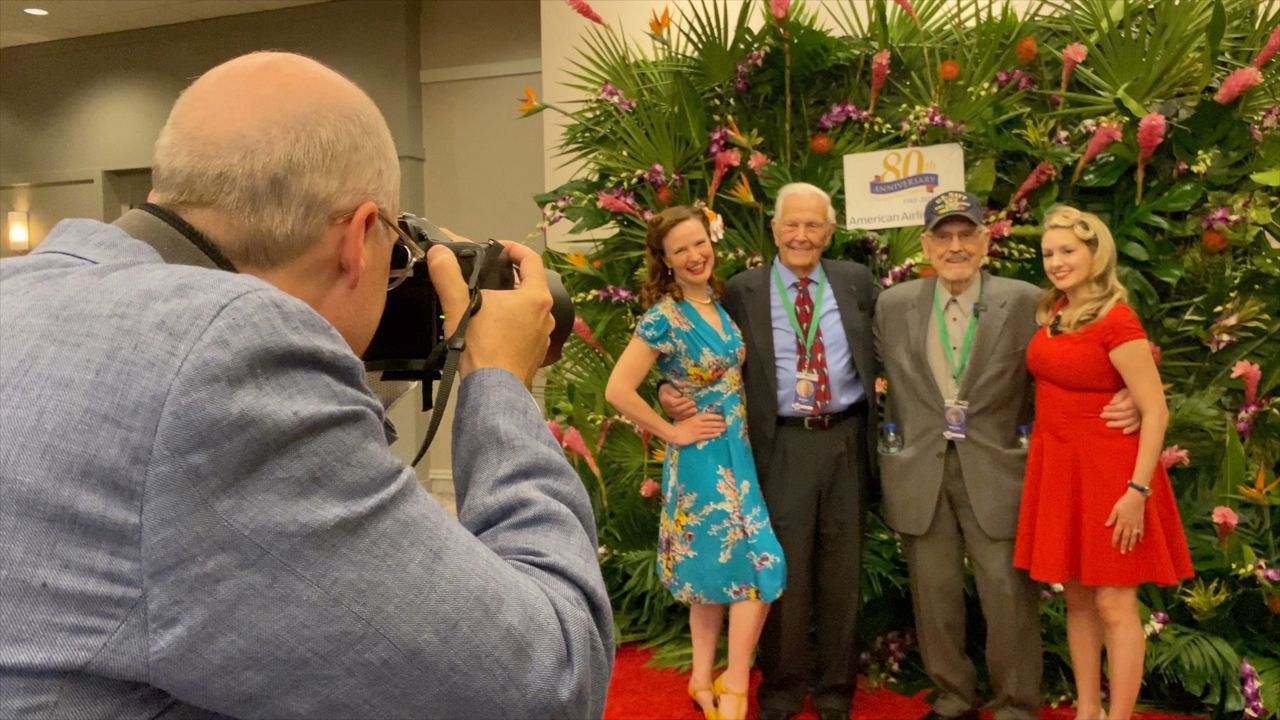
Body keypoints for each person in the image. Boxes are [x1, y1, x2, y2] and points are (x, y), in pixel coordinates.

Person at [0, 52, 613, 719]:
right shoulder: (229, 353)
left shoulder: (22, 288)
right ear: (357, 240)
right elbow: (548, 684)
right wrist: (498, 381)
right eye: (394, 252)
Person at [874, 191, 1139, 720]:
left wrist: (1129, 393)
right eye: (943, 236)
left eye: (966, 234)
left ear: (986, 240)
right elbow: (860, 372)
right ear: (925, 244)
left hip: (999, 469)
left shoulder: (1027, 302)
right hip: (918, 472)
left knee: (1006, 592)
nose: (955, 246)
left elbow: (1084, 351)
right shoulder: (892, 304)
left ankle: (1017, 703)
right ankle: (952, 696)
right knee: (935, 592)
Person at [664, 183, 879, 720]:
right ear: (775, 230)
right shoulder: (742, 290)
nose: (802, 235)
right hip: (778, 444)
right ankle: (781, 688)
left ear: (829, 233)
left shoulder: (856, 282)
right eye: (792, 225)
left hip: (846, 439)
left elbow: (884, 350)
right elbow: (701, 351)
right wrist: (669, 395)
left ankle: (835, 692)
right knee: (781, 569)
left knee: (840, 571)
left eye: (814, 226)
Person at [1013, 206, 1194, 720]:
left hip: (1112, 474)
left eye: (1068, 250)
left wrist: (1137, 493)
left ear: (1097, 253)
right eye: (1049, 253)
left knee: (1115, 605)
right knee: (1076, 601)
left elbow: (1155, 409)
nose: (1056, 261)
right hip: (1060, 469)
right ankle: (1086, 710)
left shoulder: (1118, 319)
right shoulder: (1054, 313)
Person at [605, 206, 785, 720]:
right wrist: (671, 428)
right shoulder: (665, 316)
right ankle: (735, 686)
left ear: (712, 240)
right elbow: (618, 389)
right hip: (703, 459)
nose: (694, 254)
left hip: (738, 453)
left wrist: (669, 391)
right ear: (664, 260)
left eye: (699, 242)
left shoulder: (720, 304)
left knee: (712, 575)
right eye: (680, 248)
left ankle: (702, 677)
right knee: (761, 566)